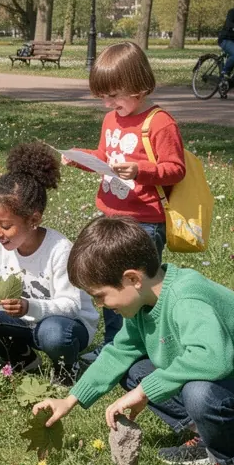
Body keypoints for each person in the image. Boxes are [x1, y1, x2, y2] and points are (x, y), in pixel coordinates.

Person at [31, 217, 234, 465]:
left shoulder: (185, 297)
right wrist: (69, 400)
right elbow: (118, 353)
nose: (101, 306)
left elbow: (213, 359)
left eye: (101, 296)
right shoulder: (143, 302)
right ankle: (208, 438)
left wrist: (145, 392)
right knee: (136, 371)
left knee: (199, 391)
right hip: (232, 391)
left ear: (132, 279)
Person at [63, 41, 184, 352]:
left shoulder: (159, 123)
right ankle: (115, 345)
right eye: (102, 97)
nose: (107, 104)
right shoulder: (111, 120)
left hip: (144, 221)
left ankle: (146, 345)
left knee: (136, 288)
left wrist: (140, 170)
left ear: (138, 86)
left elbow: (175, 169)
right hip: (112, 217)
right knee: (111, 286)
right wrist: (79, 157)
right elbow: (105, 156)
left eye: (113, 95)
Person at [0, 143, 97, 378]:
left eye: (6, 226)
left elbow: (71, 307)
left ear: (33, 220)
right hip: (22, 323)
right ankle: (22, 357)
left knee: (53, 333)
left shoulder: (60, 250)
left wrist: (28, 306)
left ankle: (65, 367)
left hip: (66, 326)